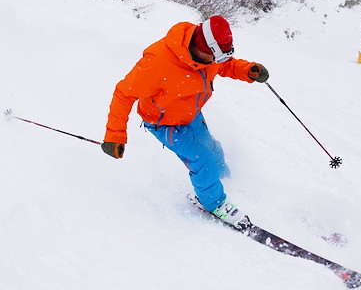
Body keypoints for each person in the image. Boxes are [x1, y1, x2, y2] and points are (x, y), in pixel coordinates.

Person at [101, 15, 268, 227]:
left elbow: (224, 66)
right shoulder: (157, 64)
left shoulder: (209, 56)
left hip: (191, 113)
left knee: (215, 150)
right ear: (205, 50)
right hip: (164, 123)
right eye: (217, 57)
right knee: (203, 157)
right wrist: (114, 136)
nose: (219, 62)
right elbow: (124, 94)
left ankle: (225, 182)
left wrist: (246, 70)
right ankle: (214, 203)